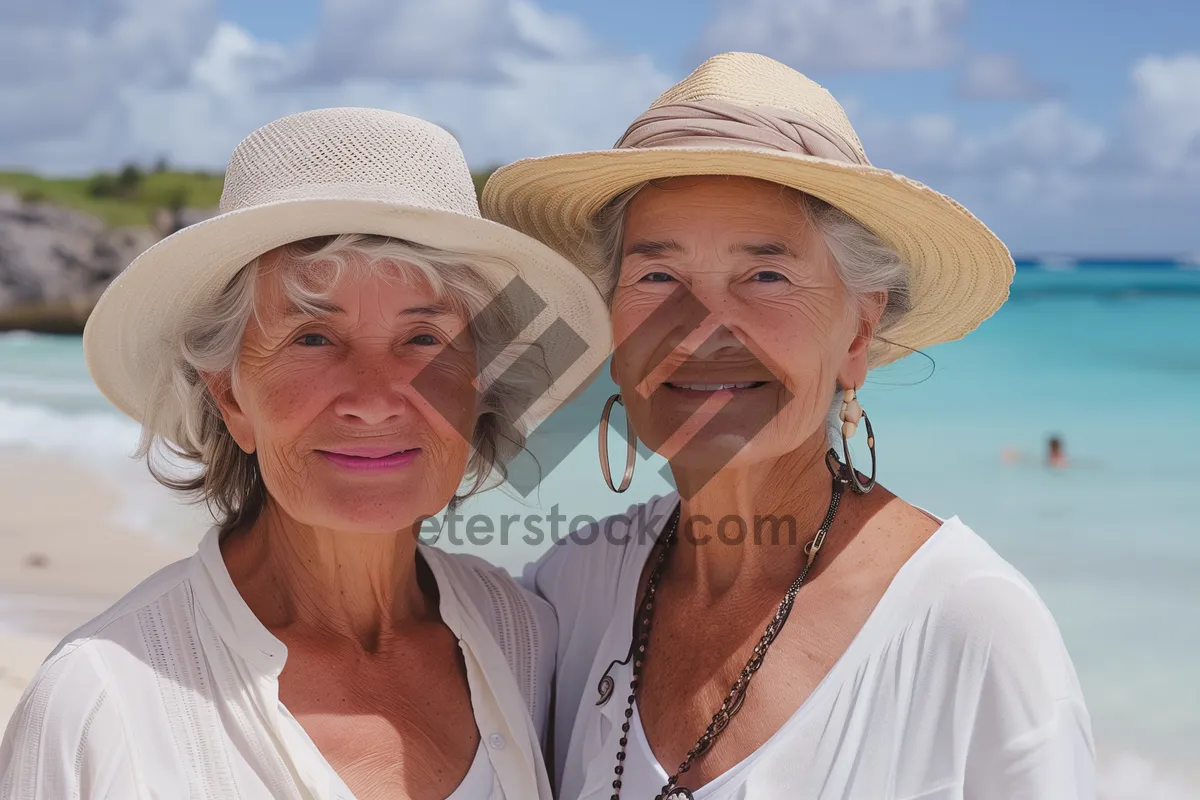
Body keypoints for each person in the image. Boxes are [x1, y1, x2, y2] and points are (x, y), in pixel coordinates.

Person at [485, 53, 1095, 799]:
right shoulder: (574, 591)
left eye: (765, 275)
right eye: (657, 277)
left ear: (857, 334)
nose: (701, 331)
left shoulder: (970, 626)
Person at [0, 108, 611, 799]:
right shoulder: (102, 699)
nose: (377, 399)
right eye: (313, 340)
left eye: (423, 339)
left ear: (479, 386)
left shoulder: (527, 638)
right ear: (229, 396)